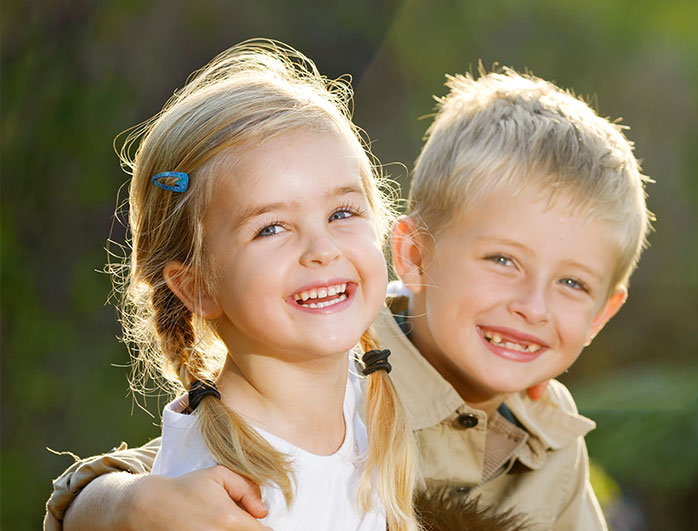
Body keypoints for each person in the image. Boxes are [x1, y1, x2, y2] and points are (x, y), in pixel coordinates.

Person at [45, 65, 652, 530]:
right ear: (413, 256)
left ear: (603, 313)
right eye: (502, 261)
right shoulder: (347, 351)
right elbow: (190, 468)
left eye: (571, 284)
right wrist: (115, 505)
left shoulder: (552, 434)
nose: (533, 307)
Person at [45, 39, 421, 531]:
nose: (322, 248)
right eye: (270, 228)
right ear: (197, 286)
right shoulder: (213, 494)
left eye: (342, 212)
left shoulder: (370, 399)